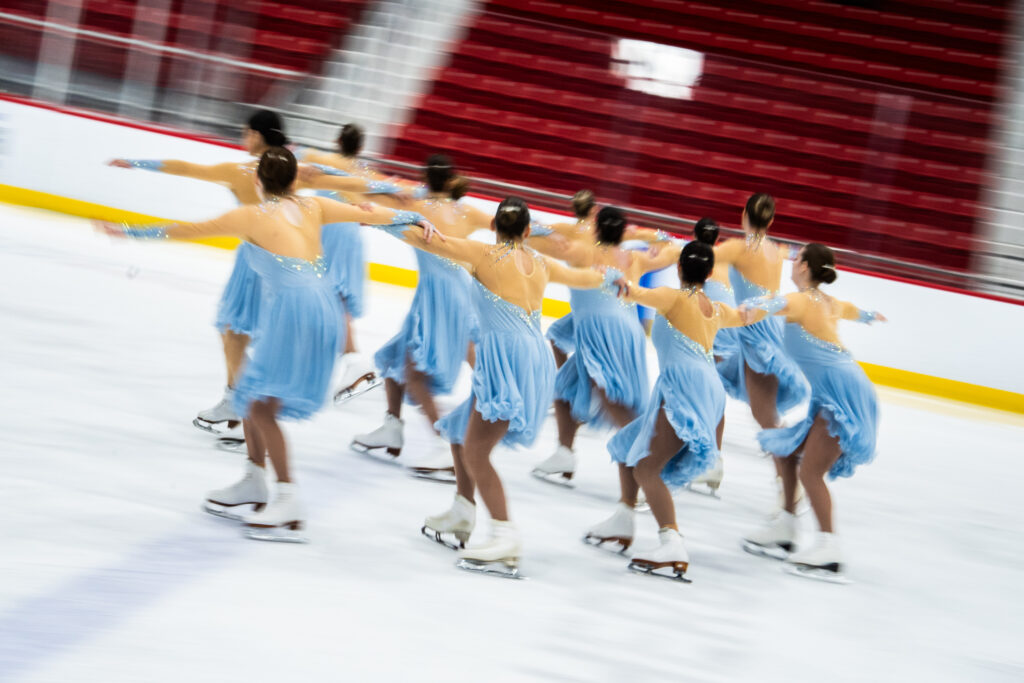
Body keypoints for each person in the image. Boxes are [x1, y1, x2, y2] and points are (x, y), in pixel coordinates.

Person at [98, 147, 431, 542]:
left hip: (297, 310)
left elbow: (185, 230)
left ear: (258, 181)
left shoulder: (249, 215)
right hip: (323, 305)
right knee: (252, 397)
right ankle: (254, 479)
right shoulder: (315, 206)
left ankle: (287, 499)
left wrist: (128, 232)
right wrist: (416, 216)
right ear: (295, 180)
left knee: (260, 404)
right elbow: (371, 214)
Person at [109, 111, 403, 434]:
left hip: (254, 265)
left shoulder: (242, 171)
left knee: (235, 332)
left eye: (247, 133)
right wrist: (390, 190)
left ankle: (241, 405)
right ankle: (249, 408)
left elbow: (186, 169)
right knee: (255, 336)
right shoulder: (293, 166)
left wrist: (136, 165)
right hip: (289, 263)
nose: (243, 139)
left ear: (258, 135)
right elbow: (341, 178)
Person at [373, 196, 617, 576]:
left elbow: (426, 241)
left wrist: (390, 220)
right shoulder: (540, 262)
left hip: (508, 360)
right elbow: (582, 277)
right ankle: (462, 511)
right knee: (458, 431)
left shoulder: (483, 254)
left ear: (494, 228)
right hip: (530, 356)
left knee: (476, 452)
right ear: (525, 231)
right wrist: (613, 278)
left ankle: (505, 535)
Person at [312, 155, 492, 481]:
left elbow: (366, 194)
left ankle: (447, 444)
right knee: (394, 360)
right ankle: (391, 428)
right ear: (450, 181)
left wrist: (361, 201)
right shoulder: (467, 211)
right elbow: (510, 227)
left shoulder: (415, 200)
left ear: (426, 178)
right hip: (456, 290)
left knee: (414, 371)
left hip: (440, 297)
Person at [584, 241, 750, 581]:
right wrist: (767, 305)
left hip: (685, 387)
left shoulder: (673, 297)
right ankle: (623, 517)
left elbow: (634, 294)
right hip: (705, 387)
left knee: (647, 469)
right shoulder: (715, 307)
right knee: (628, 447)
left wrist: (615, 277)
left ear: (679, 269)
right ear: (708, 274)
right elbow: (745, 315)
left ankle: (671, 541)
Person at [740, 244, 885, 580]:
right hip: (841, 388)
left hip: (843, 393)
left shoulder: (803, 300)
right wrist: (869, 316)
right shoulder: (827, 301)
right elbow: (853, 311)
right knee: (788, 452)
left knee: (811, 473)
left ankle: (829, 547)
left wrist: (750, 306)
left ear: (804, 266)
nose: (792, 263)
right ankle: (787, 528)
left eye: (796, 258)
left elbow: (773, 304)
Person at [529, 206, 681, 485]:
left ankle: (647, 458)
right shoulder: (635, 258)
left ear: (596, 228)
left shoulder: (584, 252)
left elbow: (524, 237)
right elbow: (674, 247)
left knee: (612, 397)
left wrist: (546, 232)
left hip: (603, 331)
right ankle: (564, 452)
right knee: (564, 389)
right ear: (623, 232)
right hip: (625, 330)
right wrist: (651, 236)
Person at [714, 194, 810, 496]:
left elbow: (703, 257)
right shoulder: (776, 250)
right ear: (770, 221)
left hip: (756, 331)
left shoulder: (738, 247)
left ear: (743, 213)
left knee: (764, 415)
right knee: (717, 376)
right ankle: (707, 457)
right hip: (766, 326)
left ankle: (789, 479)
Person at [686, 217, 743, 495]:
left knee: (699, 395)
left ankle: (706, 459)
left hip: (713, 333)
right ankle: (712, 460)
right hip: (729, 332)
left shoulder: (695, 259)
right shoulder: (725, 262)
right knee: (713, 396)